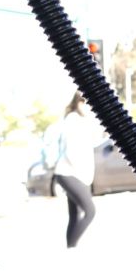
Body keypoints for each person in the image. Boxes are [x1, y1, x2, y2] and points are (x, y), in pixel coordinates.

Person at [48, 91, 99, 247]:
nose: (91, 109)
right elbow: (72, 151)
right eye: (88, 104)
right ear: (79, 103)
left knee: (75, 213)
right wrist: (83, 176)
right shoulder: (74, 120)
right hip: (69, 173)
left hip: (70, 173)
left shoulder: (77, 120)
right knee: (90, 211)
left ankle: (70, 246)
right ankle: (72, 248)